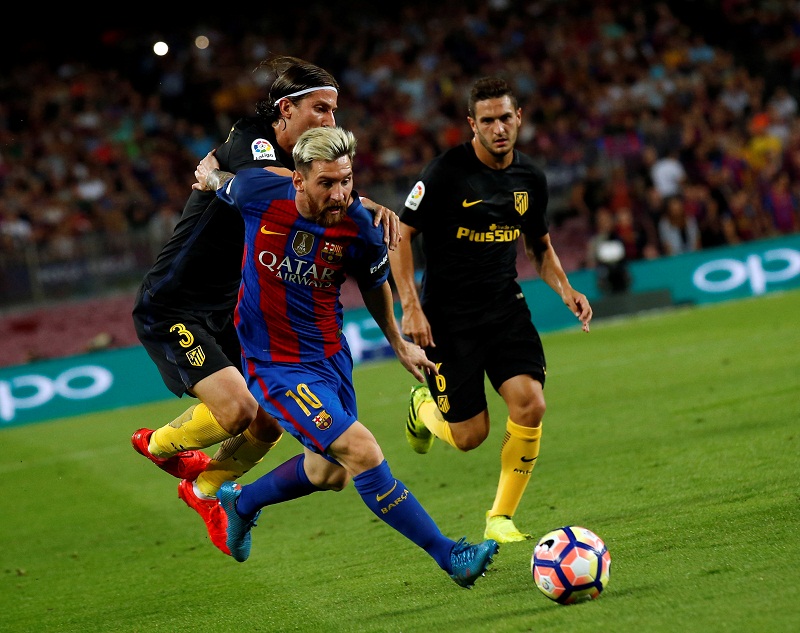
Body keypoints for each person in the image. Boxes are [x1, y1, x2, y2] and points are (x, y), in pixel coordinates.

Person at [192, 125, 499, 588]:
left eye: (346, 181)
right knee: (362, 450)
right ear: (298, 180)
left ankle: (243, 502)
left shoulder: (360, 227)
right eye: (327, 183)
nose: (340, 194)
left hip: (330, 359)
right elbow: (222, 183)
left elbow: (375, 286)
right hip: (274, 364)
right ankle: (449, 554)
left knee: (328, 471)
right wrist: (209, 172)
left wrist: (397, 342)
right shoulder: (259, 193)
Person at [130, 55, 399, 554]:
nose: (330, 122)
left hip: (232, 305)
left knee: (268, 419)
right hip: (175, 304)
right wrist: (359, 200)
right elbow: (275, 179)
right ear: (285, 110)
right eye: (320, 109)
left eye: (335, 111)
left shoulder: (269, 156)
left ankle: (205, 489)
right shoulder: (251, 140)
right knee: (236, 412)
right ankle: (157, 444)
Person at [388, 77, 593, 544]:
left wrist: (566, 289)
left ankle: (499, 517)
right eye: (487, 120)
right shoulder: (444, 173)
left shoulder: (530, 180)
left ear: (519, 117)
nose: (498, 128)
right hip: (447, 317)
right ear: (472, 125)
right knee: (469, 437)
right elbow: (402, 235)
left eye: (505, 118)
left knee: (531, 402)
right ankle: (423, 408)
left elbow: (538, 245)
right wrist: (411, 306)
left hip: (504, 307)